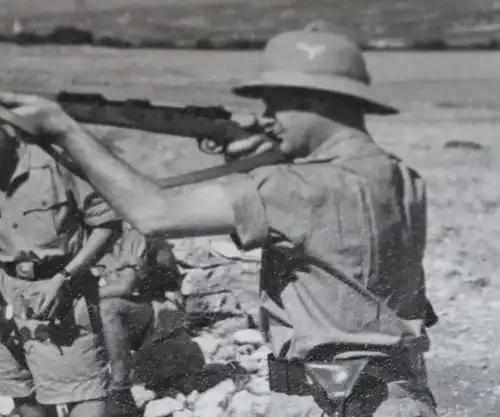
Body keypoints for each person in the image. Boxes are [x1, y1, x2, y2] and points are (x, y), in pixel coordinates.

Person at [0, 23, 439, 417]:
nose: (264, 118)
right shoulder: (397, 174)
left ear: (314, 99)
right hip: (392, 390)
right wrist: (266, 161)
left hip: (337, 398)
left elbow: (154, 213)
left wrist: (64, 130)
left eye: (275, 105)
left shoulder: (298, 186)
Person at [0, 123, 121, 417]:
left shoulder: (56, 161)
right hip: (7, 289)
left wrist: (64, 278)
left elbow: (107, 224)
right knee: (20, 388)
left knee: (83, 390)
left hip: (60, 288)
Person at [96, 223, 182, 417]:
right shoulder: (90, 239)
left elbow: (124, 286)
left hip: (156, 307)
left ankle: (121, 390)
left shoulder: (135, 232)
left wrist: (76, 297)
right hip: (129, 309)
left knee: (107, 308)